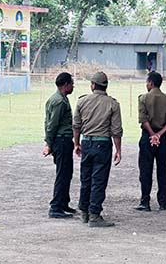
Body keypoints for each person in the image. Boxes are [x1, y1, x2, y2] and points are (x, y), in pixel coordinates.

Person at [73, 71, 123, 227]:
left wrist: (76, 143)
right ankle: (95, 214)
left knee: (85, 178)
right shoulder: (113, 104)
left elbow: (76, 126)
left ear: (93, 85)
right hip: (103, 144)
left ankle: (84, 211)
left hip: (86, 142)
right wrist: (118, 150)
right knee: (99, 180)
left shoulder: (82, 101)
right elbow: (116, 130)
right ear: (105, 86)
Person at [136, 71, 166, 211]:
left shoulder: (143, 98)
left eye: (147, 82)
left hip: (147, 137)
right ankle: (163, 202)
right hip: (162, 139)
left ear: (151, 83)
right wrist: (159, 134)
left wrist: (152, 134)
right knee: (162, 170)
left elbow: (143, 119)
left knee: (145, 170)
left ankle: (145, 201)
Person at [42, 72, 76, 218]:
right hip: (61, 140)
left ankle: (63, 202)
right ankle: (56, 206)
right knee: (63, 174)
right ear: (65, 85)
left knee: (67, 173)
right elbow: (52, 124)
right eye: (71, 83)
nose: (73, 86)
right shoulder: (59, 102)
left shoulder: (58, 99)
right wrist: (49, 143)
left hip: (63, 140)